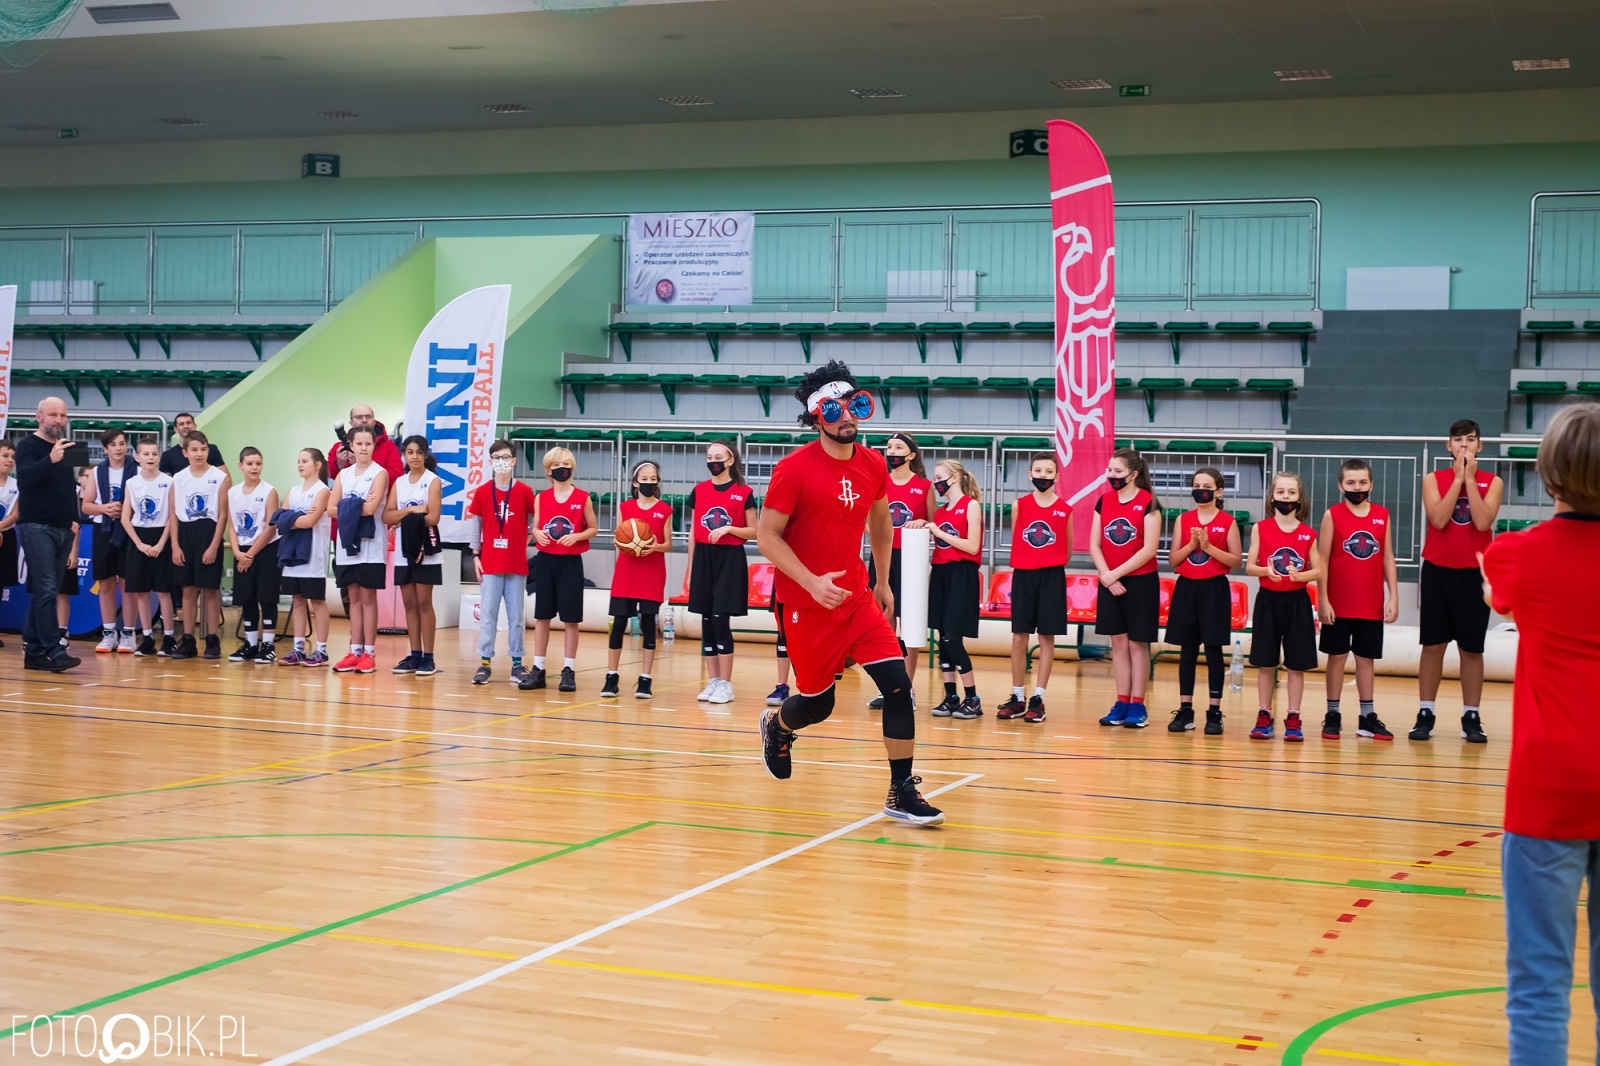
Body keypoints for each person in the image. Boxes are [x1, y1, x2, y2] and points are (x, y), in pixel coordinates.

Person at [756, 360, 945, 826]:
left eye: (856, 406)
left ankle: (901, 791)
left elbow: (881, 521)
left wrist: (882, 581)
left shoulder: (873, 464)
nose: (850, 417)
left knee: (899, 688)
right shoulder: (793, 469)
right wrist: (811, 582)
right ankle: (777, 726)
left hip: (858, 598)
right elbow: (767, 537)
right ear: (818, 414)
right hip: (806, 604)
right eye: (838, 409)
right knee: (818, 704)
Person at [1480, 402, 1600, 1065]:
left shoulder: (1516, 555)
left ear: (1548, 474)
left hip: (1546, 790)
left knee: (1539, 982)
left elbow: (1497, 592)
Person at [1413, 419, 1501, 744]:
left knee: (1471, 649)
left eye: (1471, 440)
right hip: (1437, 570)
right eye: (1458, 440)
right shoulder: (1432, 479)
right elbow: (1437, 519)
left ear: (1480, 446)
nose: (1464, 446)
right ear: (1448, 446)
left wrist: (1471, 480)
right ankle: (1425, 712)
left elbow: (1481, 522)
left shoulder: (1493, 482)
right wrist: (1458, 481)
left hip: (1474, 574)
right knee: (1432, 645)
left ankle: (1471, 715)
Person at [1317, 458, 1399, 741]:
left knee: (1366, 659)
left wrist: (1394, 596)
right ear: (1341, 486)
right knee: (1336, 657)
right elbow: (1323, 560)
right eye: (1351, 482)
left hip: (1371, 602)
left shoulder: (1382, 515)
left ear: (1371, 484)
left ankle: (1367, 716)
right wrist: (1323, 599)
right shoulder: (1332, 515)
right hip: (1338, 603)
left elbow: (1388, 557)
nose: (1357, 487)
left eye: (1363, 482)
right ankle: (1333, 713)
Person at [1245, 472, 1322, 742]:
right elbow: (1250, 565)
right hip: (1268, 601)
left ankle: (1293, 716)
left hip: (1297, 602)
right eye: (1281, 492)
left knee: (1296, 666)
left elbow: (1320, 570)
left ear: (1299, 498)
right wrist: (1266, 571)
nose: (1286, 497)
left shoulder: (1308, 533)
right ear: (1272, 496)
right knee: (1265, 663)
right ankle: (1264, 714)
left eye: (1291, 493)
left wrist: (1301, 576)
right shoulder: (1261, 528)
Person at [1165, 466, 1242, 735]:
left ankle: (1214, 711)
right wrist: (1191, 546)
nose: (1201, 490)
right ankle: (1186, 710)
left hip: (1214, 590)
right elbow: (1172, 560)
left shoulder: (1227, 521)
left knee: (1212, 651)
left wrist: (1209, 548)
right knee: (1187, 650)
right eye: (1196, 485)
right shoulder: (1183, 520)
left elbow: (1235, 561)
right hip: (1186, 588)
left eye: (1207, 486)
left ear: (1218, 491)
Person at [1090, 447, 1163, 728]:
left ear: (1133, 474)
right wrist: (1107, 575)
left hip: (1141, 581)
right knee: (1117, 643)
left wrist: (1115, 575)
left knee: (1136, 643)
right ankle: (1121, 702)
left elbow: (1149, 548)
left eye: (1118, 472)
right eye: (1110, 470)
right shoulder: (1103, 501)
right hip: (1110, 580)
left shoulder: (1149, 503)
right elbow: (1095, 543)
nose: (1112, 476)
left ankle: (1137, 704)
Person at [999, 453, 1072, 724]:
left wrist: (1047, 563)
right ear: (1030, 475)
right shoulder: (1019, 505)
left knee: (1046, 638)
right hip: (1023, 576)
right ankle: (1018, 696)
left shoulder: (1065, 509)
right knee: (1019, 636)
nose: (1043, 475)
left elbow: (1068, 546)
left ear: (1056, 476)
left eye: (1048, 471)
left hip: (1051, 577)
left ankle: (1038, 697)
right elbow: (1020, 538)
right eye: (1038, 470)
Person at [866, 431, 935, 711]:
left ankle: (907, 687)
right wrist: (879, 536)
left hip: (912, 558)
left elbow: (932, 522)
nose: (891, 451)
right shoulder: (878, 482)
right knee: (885, 622)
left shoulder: (924, 486)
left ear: (911, 454)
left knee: (910, 623)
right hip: (883, 557)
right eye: (889, 446)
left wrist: (921, 522)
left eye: (898, 447)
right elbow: (866, 519)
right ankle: (888, 688)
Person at [685, 439, 757, 705]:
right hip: (704, 557)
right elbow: (693, 533)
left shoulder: (743, 491)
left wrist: (729, 529)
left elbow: (754, 531)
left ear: (730, 460)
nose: (712, 461)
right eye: (709, 456)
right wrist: (690, 570)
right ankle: (713, 681)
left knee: (719, 619)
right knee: (706, 621)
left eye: (718, 456)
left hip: (730, 557)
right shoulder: (699, 490)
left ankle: (726, 683)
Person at [521, 446, 597, 693]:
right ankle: (539, 668)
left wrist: (576, 536)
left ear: (572, 467)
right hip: (546, 560)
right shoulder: (541, 497)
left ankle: (568, 669)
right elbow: (536, 527)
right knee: (542, 617)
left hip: (570, 562)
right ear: (548, 470)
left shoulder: (583, 497)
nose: (562, 468)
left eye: (566, 463)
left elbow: (593, 528)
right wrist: (537, 533)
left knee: (570, 619)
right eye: (556, 465)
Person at [15, 397, 82, 672]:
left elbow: (73, 485)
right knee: (45, 589)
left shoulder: (71, 447)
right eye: (53, 414)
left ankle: (33, 651)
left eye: (63, 415)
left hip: (63, 528)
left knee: (47, 590)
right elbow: (26, 478)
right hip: (36, 525)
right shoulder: (27, 446)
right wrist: (51, 459)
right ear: (38, 416)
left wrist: (75, 519)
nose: (59, 420)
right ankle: (55, 649)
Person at [913, 459, 983, 720]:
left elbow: (972, 546)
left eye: (940, 477)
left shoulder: (971, 506)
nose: (937, 482)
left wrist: (939, 533)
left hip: (962, 574)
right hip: (940, 573)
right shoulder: (941, 513)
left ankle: (973, 697)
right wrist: (923, 525)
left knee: (953, 638)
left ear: (954, 478)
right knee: (942, 638)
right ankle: (950, 695)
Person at [468, 439, 535, 686]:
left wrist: (525, 540)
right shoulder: (484, 491)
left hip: (516, 564)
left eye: (506, 457)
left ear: (514, 461)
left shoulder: (525, 492)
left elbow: (535, 518)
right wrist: (475, 555)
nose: (501, 462)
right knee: (488, 615)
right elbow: (475, 524)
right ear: (490, 462)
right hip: (490, 562)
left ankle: (517, 664)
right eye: (497, 457)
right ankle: (485, 663)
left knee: (516, 616)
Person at [604, 460, 672, 700]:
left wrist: (654, 546)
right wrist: (622, 542)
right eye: (645, 479)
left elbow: (668, 544)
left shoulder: (664, 509)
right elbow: (618, 537)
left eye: (653, 479)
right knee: (619, 624)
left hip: (651, 573)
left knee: (647, 625)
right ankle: (612, 677)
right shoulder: (625, 506)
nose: (649, 483)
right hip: (626, 572)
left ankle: (645, 679)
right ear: (635, 483)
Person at [331, 425, 390, 674]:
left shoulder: (380, 473)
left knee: (368, 598)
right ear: (351, 446)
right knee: (353, 599)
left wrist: (347, 505)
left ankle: (369, 652)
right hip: (347, 545)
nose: (364, 448)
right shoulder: (343, 476)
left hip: (371, 545)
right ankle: (354, 650)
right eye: (359, 444)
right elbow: (331, 509)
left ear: (373, 446)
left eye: (368, 443)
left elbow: (370, 508)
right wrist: (353, 505)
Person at [384, 435, 443, 676]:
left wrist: (403, 518)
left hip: (425, 550)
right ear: (404, 455)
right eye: (410, 452)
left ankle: (428, 657)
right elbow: (387, 517)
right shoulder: (399, 482)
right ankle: (415, 654)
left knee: (423, 603)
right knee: (409, 604)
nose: (415, 457)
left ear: (426, 454)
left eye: (419, 452)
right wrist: (411, 510)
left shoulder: (433, 481)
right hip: (403, 550)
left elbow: (432, 518)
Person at [169, 430, 231, 660]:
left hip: (208, 531)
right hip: (185, 533)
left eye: (203, 449)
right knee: (187, 588)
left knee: (210, 589)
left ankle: (212, 639)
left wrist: (215, 544)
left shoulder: (219, 477)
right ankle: (187, 639)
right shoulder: (179, 478)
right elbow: (173, 514)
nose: (199, 453)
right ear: (185, 452)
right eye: (194, 449)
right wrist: (175, 545)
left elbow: (223, 514)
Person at [276, 448, 333, 668]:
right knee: (297, 600)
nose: (300, 464)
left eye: (305, 461)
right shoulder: (293, 490)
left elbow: (310, 522)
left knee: (317, 602)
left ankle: (321, 650)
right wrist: (296, 517)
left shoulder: (323, 491)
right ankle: (298, 648)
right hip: (292, 552)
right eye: (298, 461)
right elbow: (281, 518)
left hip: (313, 556)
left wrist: (292, 518)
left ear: (317, 464)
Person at [118, 438, 175, 657]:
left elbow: (172, 515)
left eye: (154, 453)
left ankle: (169, 637)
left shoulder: (168, 482)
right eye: (146, 454)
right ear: (137, 457)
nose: (150, 457)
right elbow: (125, 517)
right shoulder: (132, 483)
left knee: (163, 591)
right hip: (139, 538)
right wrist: (139, 543)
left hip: (161, 535)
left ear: (159, 456)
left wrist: (161, 543)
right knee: (141, 591)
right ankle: (148, 637)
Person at [83, 428, 136, 654]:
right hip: (103, 529)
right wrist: (105, 508)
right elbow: (86, 505)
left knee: (127, 583)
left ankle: (129, 633)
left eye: (122, 443)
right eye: (113, 444)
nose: (118, 448)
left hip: (128, 529)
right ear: (105, 449)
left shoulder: (137, 470)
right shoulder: (97, 472)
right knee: (106, 583)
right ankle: (108, 633)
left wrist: (125, 510)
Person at [226, 447, 281, 664]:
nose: (254, 467)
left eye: (258, 463)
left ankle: (268, 644)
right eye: (250, 464)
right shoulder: (233, 492)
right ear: (240, 466)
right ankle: (250, 643)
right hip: (243, 551)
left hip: (265, 550)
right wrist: (238, 552)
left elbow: (271, 527)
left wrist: (249, 554)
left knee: (266, 597)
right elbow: (232, 525)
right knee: (246, 597)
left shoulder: (269, 491)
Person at [328, 404, 403, 482]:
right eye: (359, 417)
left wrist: (366, 466)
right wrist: (339, 465)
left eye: (368, 416)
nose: (364, 420)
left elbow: (397, 478)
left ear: (374, 421)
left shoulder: (388, 446)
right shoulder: (339, 448)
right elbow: (328, 480)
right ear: (351, 422)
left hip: (378, 493)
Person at [158, 411, 224, 475]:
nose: (186, 426)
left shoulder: (212, 450)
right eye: (181, 424)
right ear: (176, 429)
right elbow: (165, 483)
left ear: (195, 426)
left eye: (188, 423)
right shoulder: (167, 456)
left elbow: (226, 479)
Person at [0, 441, 17, 647]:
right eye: (5, 455)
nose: (10, 460)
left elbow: (16, 513)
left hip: (7, 536)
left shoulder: (16, 485)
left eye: (12, 457)